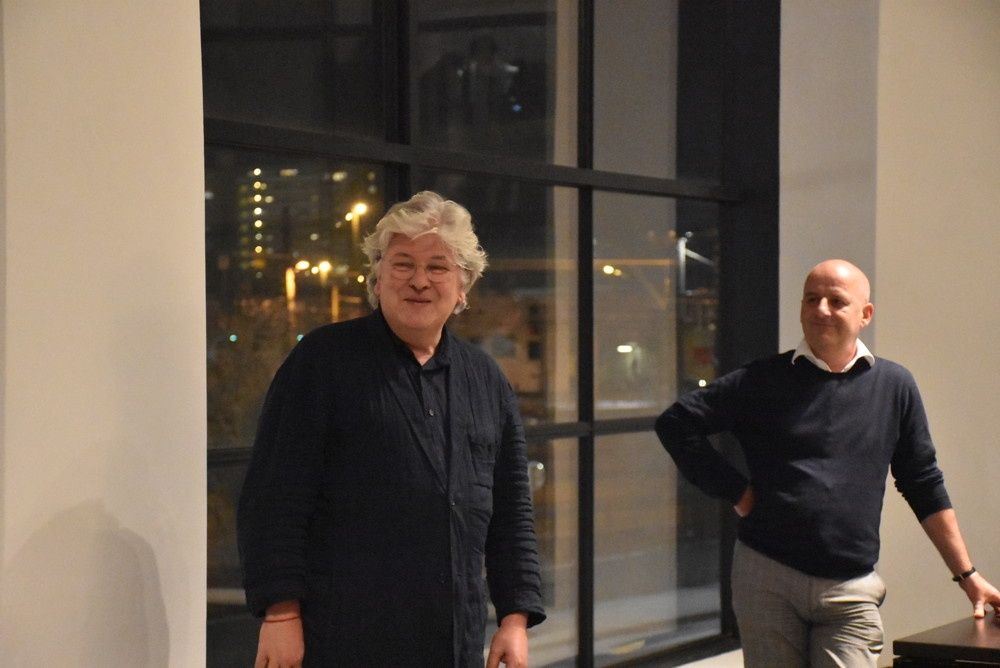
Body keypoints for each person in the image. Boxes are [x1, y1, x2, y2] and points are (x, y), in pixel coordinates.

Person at [238, 191, 545, 667]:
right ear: (377, 278)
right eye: (403, 264)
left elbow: (511, 511)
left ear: (463, 285)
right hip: (341, 640)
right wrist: (281, 614)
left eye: (438, 267)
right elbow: (275, 497)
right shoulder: (322, 362)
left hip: (454, 642)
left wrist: (514, 618)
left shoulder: (486, 379)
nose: (419, 280)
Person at [655, 259, 999, 667]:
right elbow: (677, 423)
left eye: (836, 301)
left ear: (865, 314)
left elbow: (922, 481)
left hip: (851, 586)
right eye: (811, 299)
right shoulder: (761, 380)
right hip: (767, 576)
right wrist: (737, 491)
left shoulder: (895, 386)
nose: (821, 309)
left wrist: (967, 576)